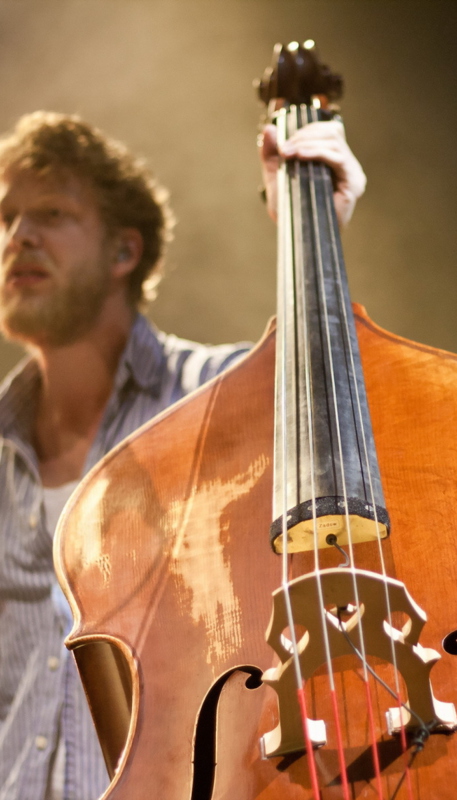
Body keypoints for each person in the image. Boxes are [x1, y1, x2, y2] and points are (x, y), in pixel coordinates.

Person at [0, 110, 365, 800]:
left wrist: (314, 227)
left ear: (123, 253)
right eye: (6, 217)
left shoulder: (211, 398)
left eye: (49, 212)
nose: (18, 236)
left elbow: (333, 405)